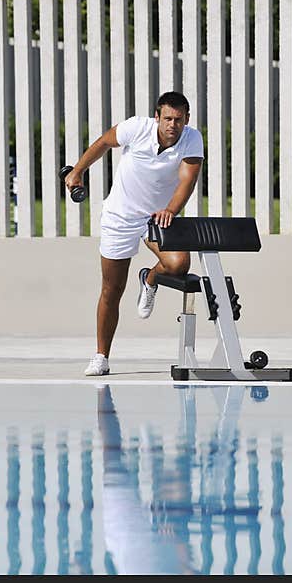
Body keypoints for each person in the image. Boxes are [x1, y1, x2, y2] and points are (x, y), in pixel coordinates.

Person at [64, 91, 204, 376]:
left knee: (179, 264)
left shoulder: (193, 139)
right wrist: (78, 171)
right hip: (121, 216)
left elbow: (187, 182)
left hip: (157, 217)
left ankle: (149, 278)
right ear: (157, 117)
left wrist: (170, 211)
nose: (172, 125)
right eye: (167, 118)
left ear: (186, 119)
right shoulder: (135, 128)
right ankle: (101, 356)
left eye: (178, 119)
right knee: (112, 289)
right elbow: (103, 142)